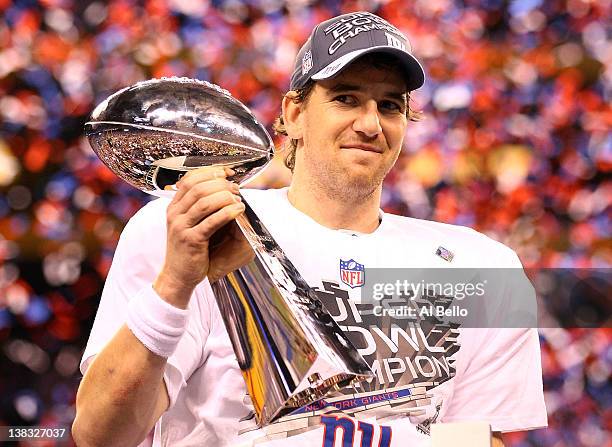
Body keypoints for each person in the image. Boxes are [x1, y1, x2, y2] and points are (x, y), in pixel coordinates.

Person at [72, 11, 547, 447]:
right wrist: (175, 282)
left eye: (389, 106)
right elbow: (100, 435)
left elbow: (479, 439)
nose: (369, 123)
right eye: (346, 98)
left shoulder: (482, 266)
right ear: (294, 113)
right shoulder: (192, 223)